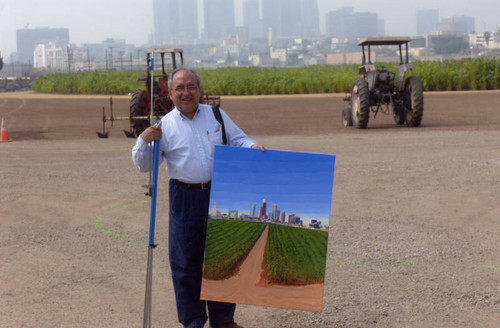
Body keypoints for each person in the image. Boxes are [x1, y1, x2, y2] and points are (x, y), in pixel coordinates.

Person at [132, 67, 264, 328]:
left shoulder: (216, 115)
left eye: (191, 87)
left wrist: (252, 146)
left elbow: (239, 139)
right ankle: (193, 321)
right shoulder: (164, 126)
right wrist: (143, 141)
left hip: (220, 193)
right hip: (185, 196)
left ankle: (224, 320)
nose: (186, 93)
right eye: (179, 88)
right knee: (186, 263)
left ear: (199, 90)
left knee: (222, 259)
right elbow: (144, 165)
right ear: (170, 93)